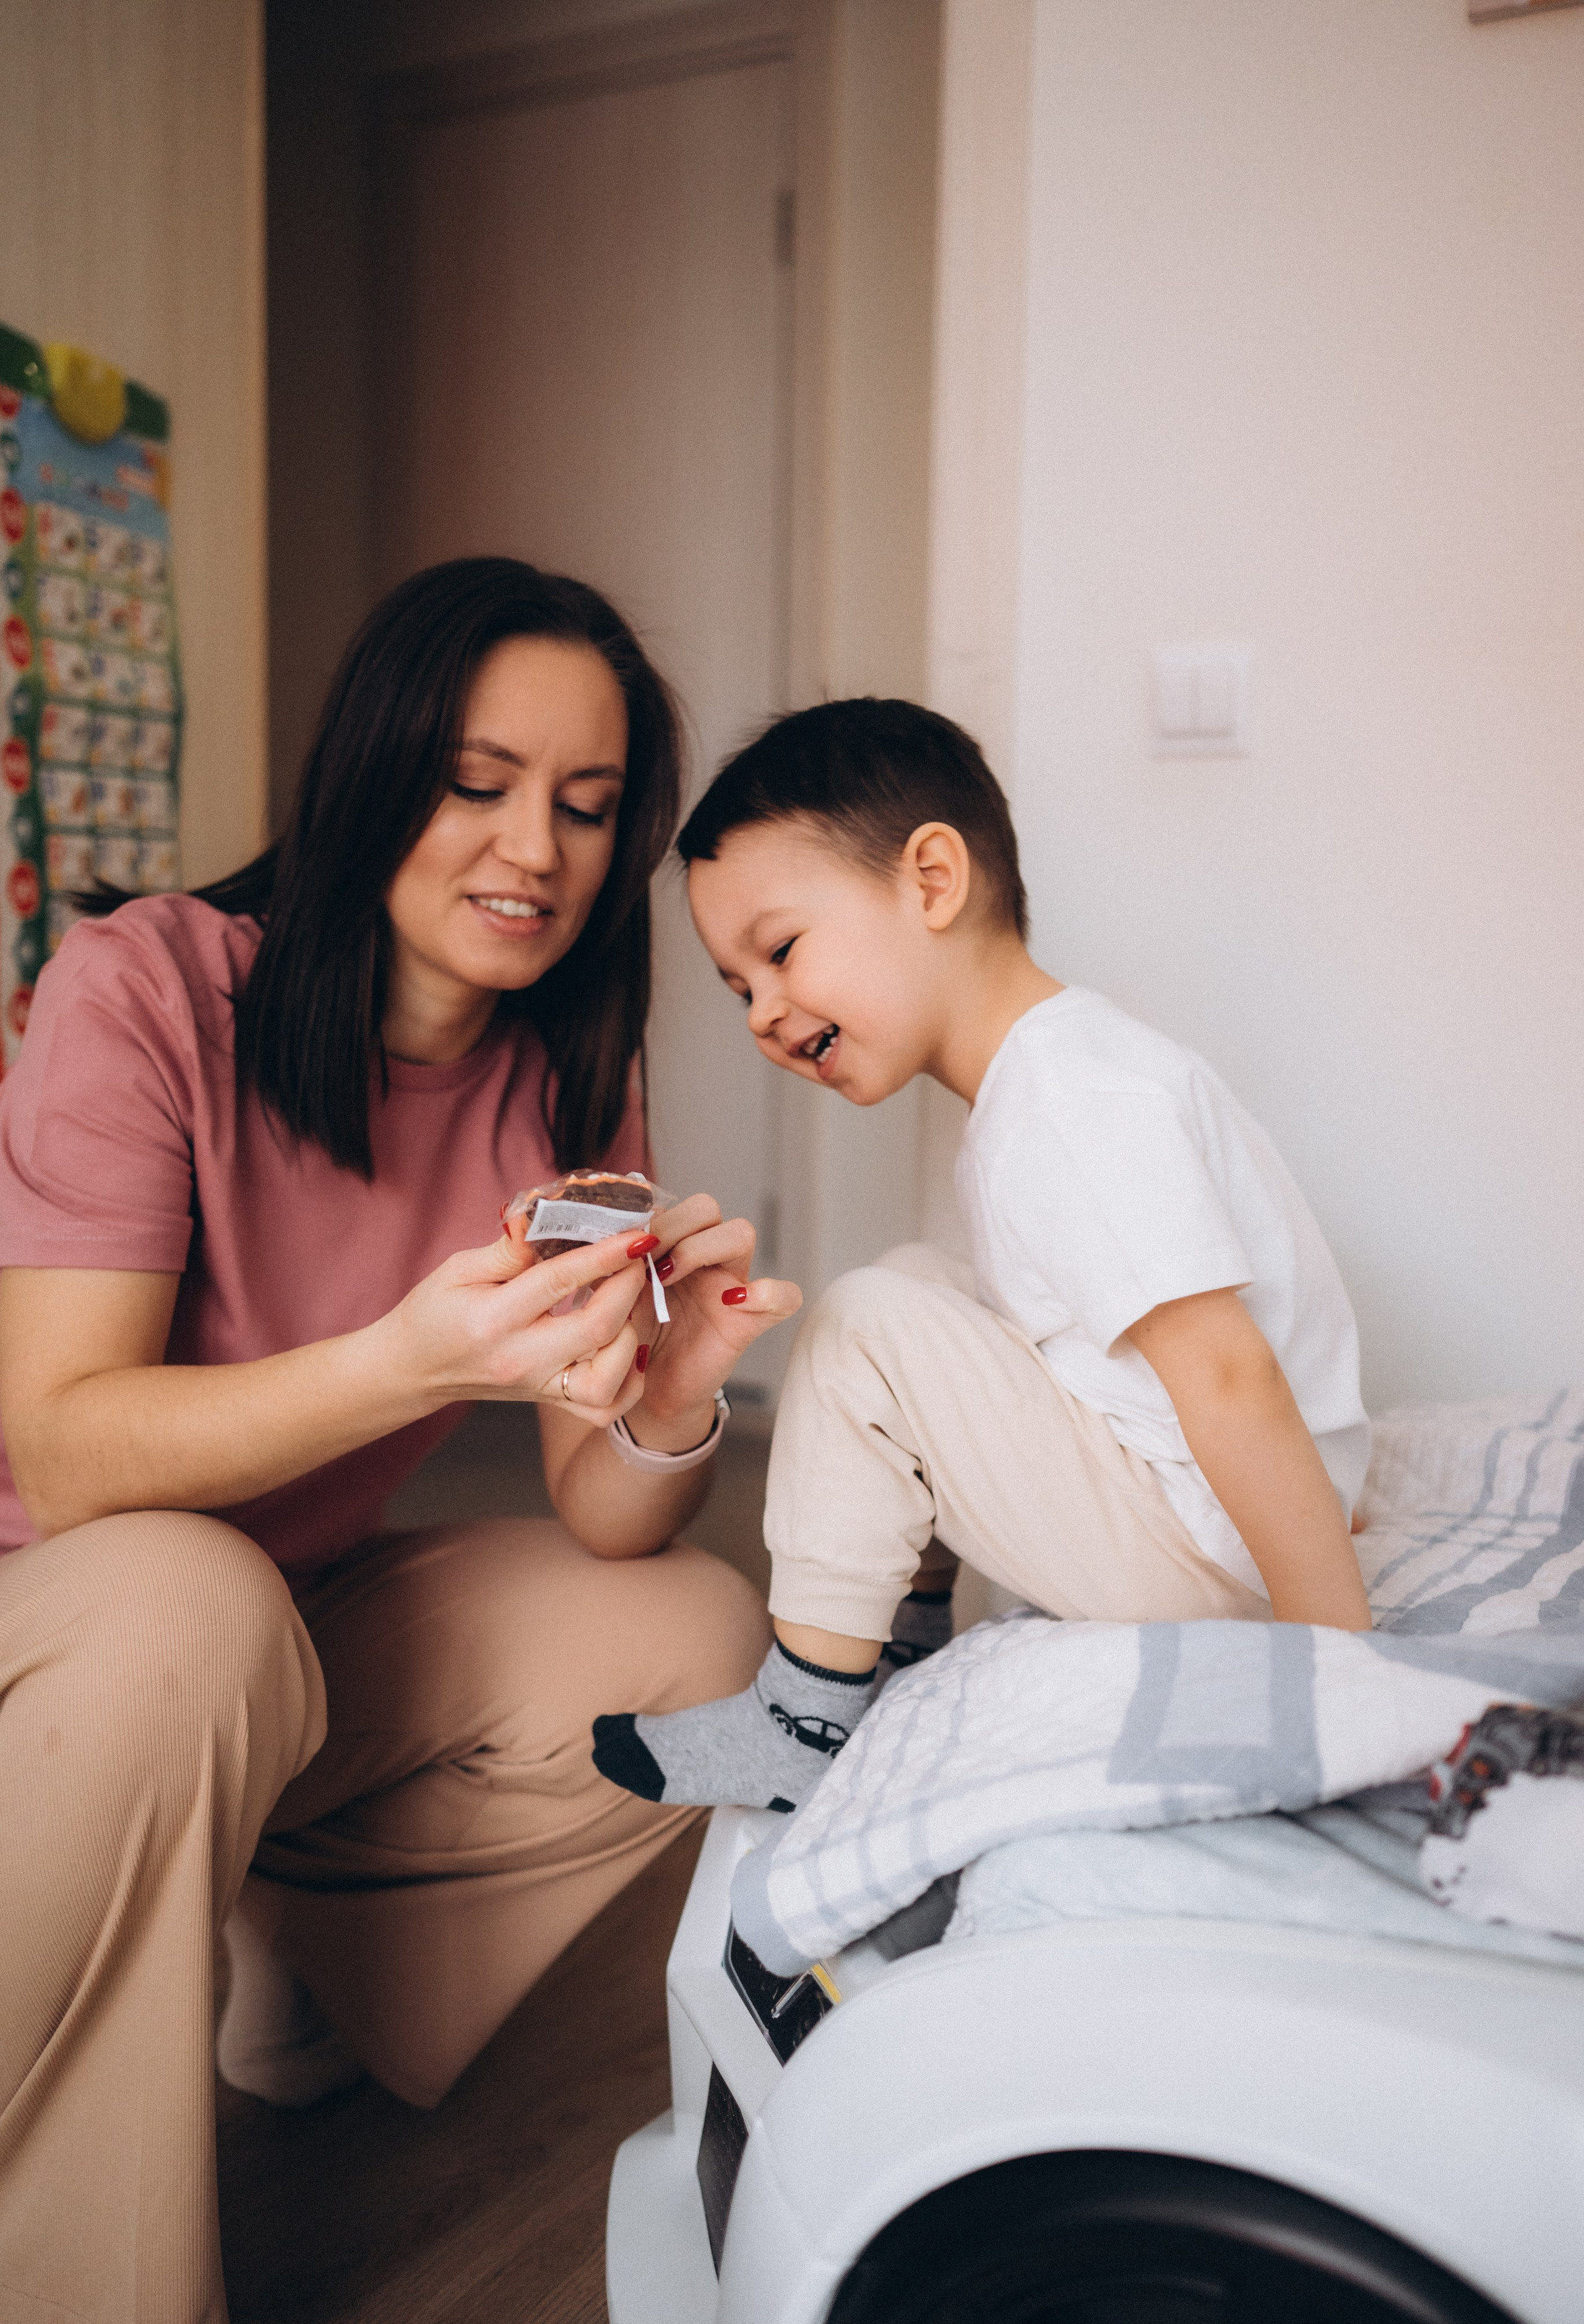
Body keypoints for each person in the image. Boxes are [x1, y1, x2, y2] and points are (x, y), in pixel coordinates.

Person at [0, 557, 797, 2324]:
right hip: (62, 1618)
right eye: (478, 783)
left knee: (692, 1637)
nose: (537, 850)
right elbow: (59, 1455)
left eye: (589, 809)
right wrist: (405, 1361)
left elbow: (605, 1513)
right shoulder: (144, 988)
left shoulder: (564, 1072)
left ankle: (294, 1952)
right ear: (375, 772)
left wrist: (674, 1399)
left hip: (272, 1636)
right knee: (186, 1604)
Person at [592, 697, 1372, 1817]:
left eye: (778, 951)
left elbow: (1228, 1373)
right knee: (918, 1281)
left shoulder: (1070, 1096)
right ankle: (898, 1637)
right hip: (1213, 1526)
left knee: (868, 1325)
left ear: (933, 882)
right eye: (739, 988)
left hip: (1217, 1559)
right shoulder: (1054, 1075)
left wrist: (1334, 1661)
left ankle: (803, 1719)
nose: (764, 1012)